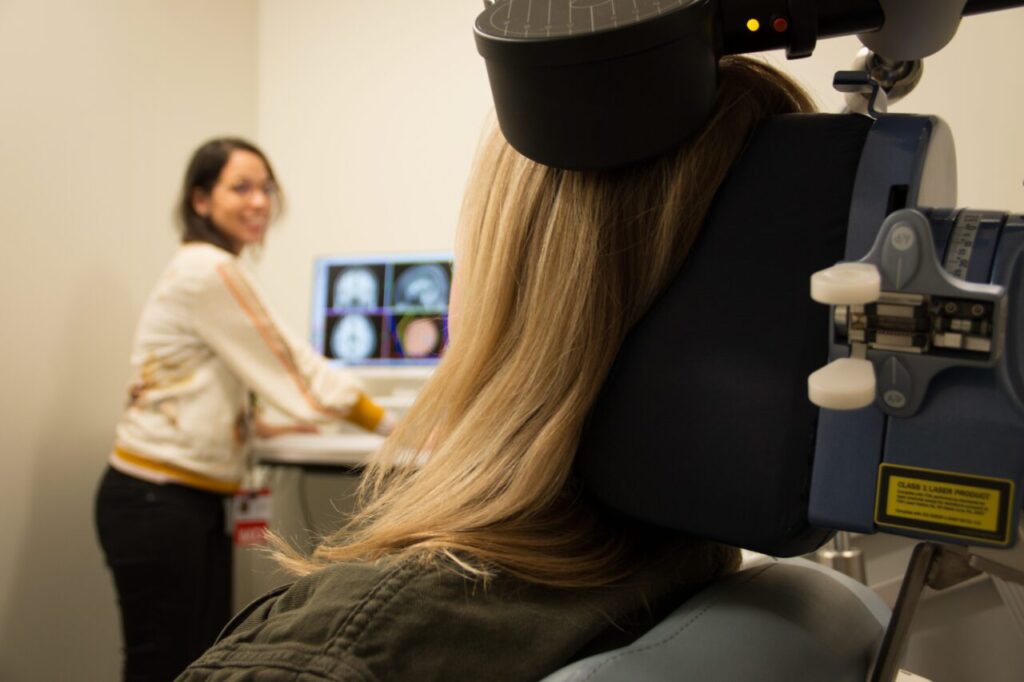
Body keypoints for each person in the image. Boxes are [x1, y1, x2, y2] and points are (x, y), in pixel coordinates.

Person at [179, 57, 815, 681]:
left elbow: (297, 378)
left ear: (522, 294)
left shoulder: (339, 649)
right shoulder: (743, 590)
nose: (259, 200)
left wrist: (393, 425)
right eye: (241, 186)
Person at [94, 137, 396, 682]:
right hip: (155, 499)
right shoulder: (208, 270)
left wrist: (275, 423)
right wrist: (394, 424)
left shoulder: (206, 268)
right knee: (166, 662)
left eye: (266, 188)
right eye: (242, 187)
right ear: (201, 200)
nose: (260, 202)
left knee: (190, 660)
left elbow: (205, 385)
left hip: (176, 498)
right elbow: (293, 363)